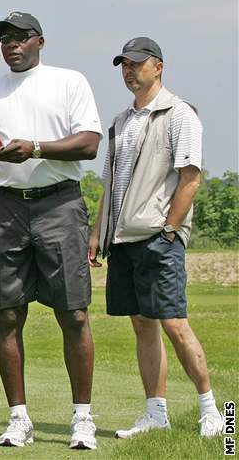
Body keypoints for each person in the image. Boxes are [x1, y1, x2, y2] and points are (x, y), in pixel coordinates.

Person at [0, 11, 102, 449]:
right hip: (5, 207)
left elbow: (91, 143)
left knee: (74, 313)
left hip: (59, 202)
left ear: (39, 41)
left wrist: (36, 147)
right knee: (7, 313)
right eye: (4, 39)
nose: (12, 45)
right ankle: (19, 418)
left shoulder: (69, 82)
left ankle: (82, 418)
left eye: (20, 38)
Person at [88, 37, 223, 438]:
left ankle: (215, 412)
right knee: (142, 326)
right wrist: (98, 234)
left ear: (158, 66)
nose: (129, 71)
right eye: (123, 65)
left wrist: (169, 230)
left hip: (158, 237)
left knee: (175, 323)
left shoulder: (180, 114)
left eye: (136, 64)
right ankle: (156, 414)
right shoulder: (120, 121)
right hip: (124, 241)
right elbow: (110, 185)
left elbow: (191, 178)